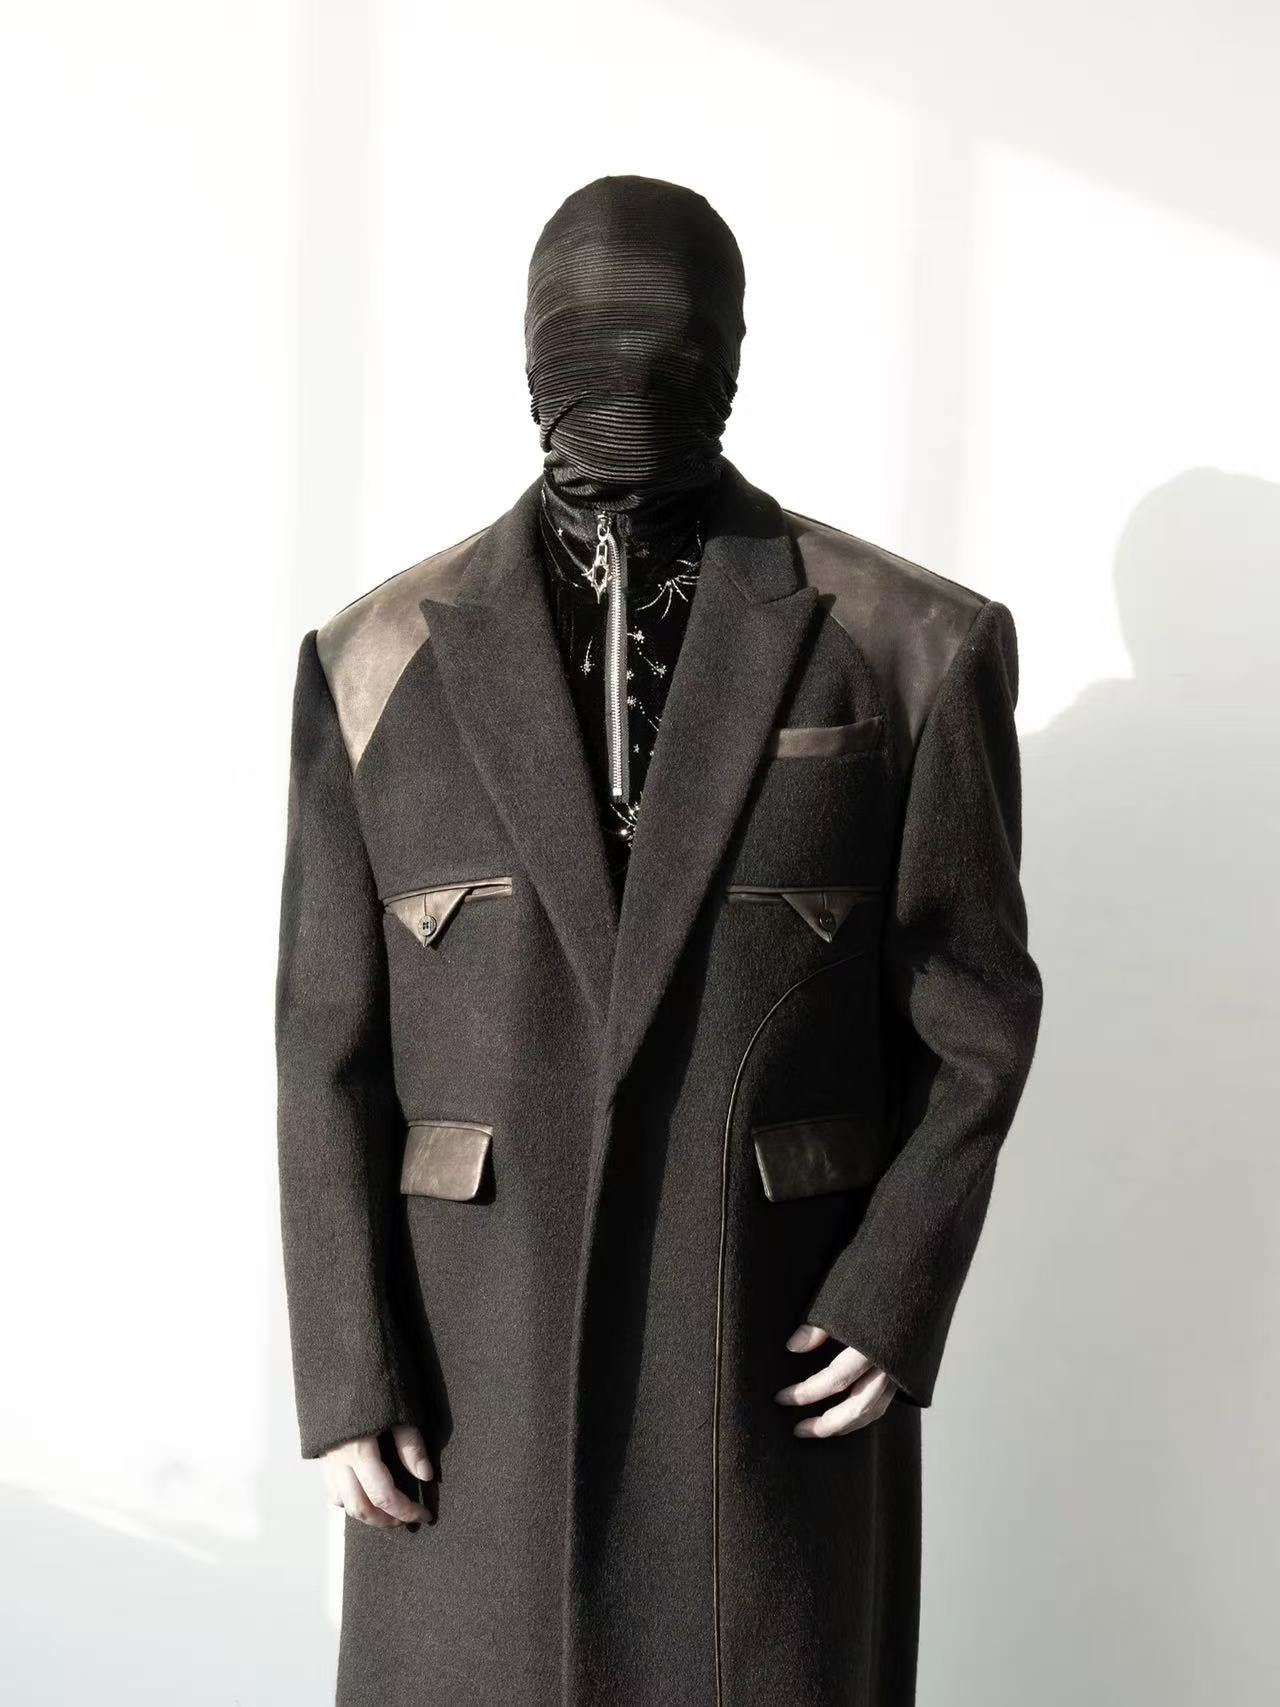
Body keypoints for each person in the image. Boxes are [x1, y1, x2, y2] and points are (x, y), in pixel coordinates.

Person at [275, 173, 1043, 1706]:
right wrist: (348, 1367)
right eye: (581, 345)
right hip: (471, 1366)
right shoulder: (374, 661)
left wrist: (895, 1286)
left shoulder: (907, 643)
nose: (624, 382)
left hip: (764, 1347)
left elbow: (973, 1014)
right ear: (524, 351)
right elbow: (325, 1040)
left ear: (735, 351)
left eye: (673, 345)